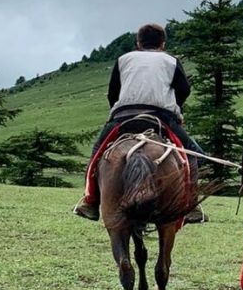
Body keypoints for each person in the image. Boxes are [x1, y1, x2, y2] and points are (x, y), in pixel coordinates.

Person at [73, 22, 201, 219]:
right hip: (161, 116)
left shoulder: (123, 59)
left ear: (138, 43)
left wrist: (116, 114)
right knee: (193, 153)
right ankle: (191, 206)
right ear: (163, 44)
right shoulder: (171, 61)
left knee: (97, 153)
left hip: (123, 116)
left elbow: (113, 93)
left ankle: (91, 202)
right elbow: (184, 90)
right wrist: (177, 110)